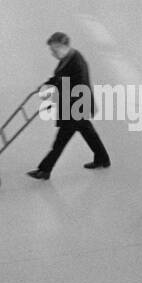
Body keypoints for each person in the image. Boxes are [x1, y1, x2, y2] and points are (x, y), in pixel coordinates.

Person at [28, 33, 110, 180]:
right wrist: (47, 85)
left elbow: (74, 85)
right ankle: (103, 159)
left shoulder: (76, 62)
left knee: (60, 140)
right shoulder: (68, 58)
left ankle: (44, 170)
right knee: (88, 133)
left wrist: (54, 96)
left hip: (76, 106)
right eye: (52, 50)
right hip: (75, 105)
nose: (53, 53)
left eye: (55, 49)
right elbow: (59, 78)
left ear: (64, 46)